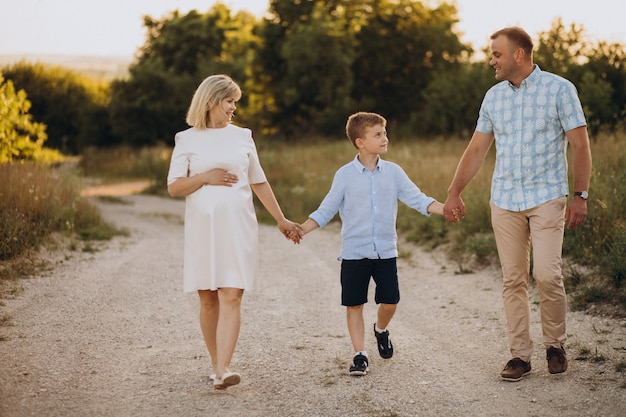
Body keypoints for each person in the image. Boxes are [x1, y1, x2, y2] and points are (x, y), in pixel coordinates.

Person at [443, 27, 592, 382]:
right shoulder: (493, 97)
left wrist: (580, 195)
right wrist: (453, 192)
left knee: (546, 274)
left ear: (518, 55)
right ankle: (519, 357)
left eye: (496, 54)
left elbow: (581, 146)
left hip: (547, 197)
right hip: (505, 200)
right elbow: (477, 149)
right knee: (513, 279)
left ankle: (555, 345)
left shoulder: (560, 89)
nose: (491, 60)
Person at [167, 74, 302, 390]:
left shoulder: (243, 136)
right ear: (212, 100)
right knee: (208, 298)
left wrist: (281, 219)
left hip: (239, 225)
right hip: (203, 229)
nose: (233, 108)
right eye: (230, 101)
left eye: (235, 103)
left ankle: (224, 368)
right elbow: (174, 187)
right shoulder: (186, 139)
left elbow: (258, 181)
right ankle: (217, 366)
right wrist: (205, 177)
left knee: (232, 293)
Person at [298, 112, 444, 376]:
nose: (384, 137)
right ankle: (360, 355)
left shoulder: (394, 172)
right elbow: (325, 210)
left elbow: (418, 198)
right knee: (354, 305)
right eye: (377, 134)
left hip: (385, 251)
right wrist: (301, 229)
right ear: (360, 142)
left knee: (390, 301)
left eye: (385, 132)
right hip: (354, 253)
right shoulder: (344, 176)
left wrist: (445, 210)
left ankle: (380, 329)